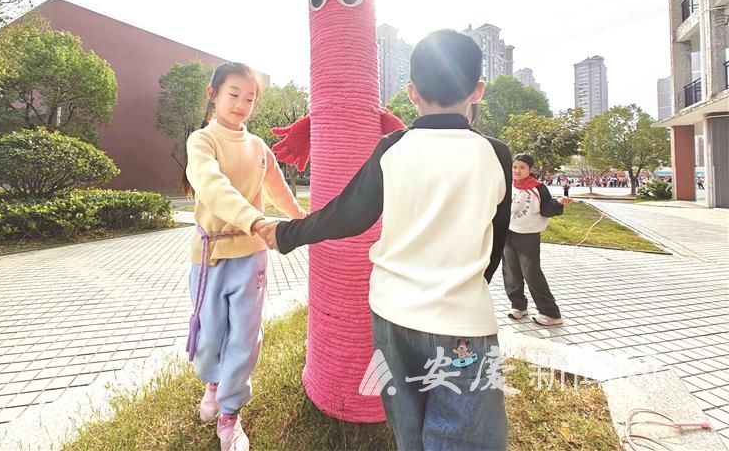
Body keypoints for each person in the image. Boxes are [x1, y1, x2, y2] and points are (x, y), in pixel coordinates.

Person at [261, 29, 512, 451]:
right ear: (478, 90)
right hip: (462, 323)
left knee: (408, 428)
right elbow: (496, 242)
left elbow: (348, 214)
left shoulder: (392, 148)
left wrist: (285, 232)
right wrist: (466, 290)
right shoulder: (496, 154)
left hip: (390, 317)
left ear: (411, 93)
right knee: (465, 436)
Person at [182, 61, 306, 451]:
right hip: (209, 256)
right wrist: (256, 221)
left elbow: (279, 190)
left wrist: (302, 221)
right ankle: (213, 383)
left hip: (251, 256)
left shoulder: (258, 147)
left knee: (245, 334)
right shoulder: (201, 141)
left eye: (249, 98)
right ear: (213, 94)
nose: (241, 104)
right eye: (233, 94)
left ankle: (231, 414)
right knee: (209, 331)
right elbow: (213, 187)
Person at [503, 153, 572, 327]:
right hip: (509, 233)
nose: (517, 171)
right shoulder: (508, 184)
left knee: (531, 273)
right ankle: (518, 306)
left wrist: (558, 203)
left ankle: (551, 313)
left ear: (531, 170)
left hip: (528, 236)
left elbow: (547, 209)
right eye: (515, 167)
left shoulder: (538, 188)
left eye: (522, 167)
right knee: (511, 272)